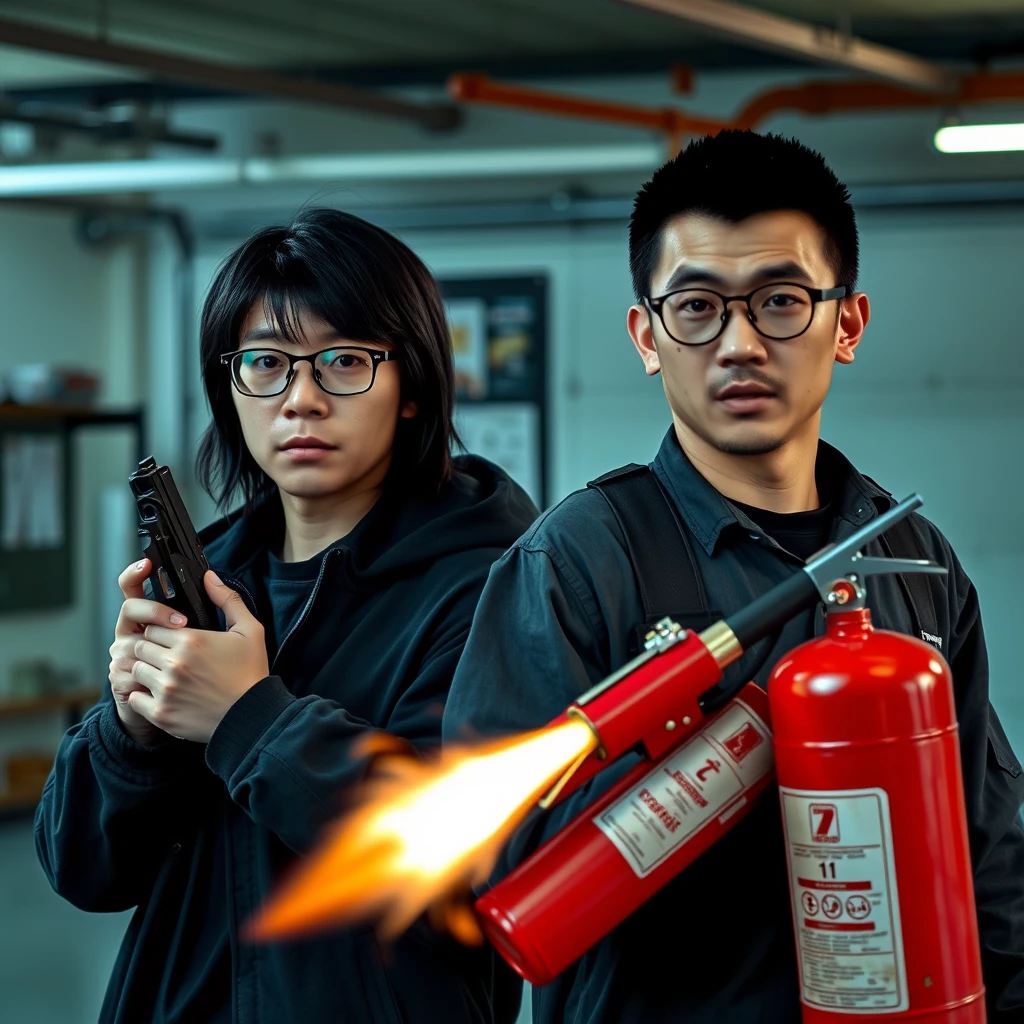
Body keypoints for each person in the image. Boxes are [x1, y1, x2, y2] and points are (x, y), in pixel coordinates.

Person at [444, 131, 1024, 1023]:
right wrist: (701, 771)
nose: (741, 343)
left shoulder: (913, 557)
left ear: (849, 325)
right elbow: (490, 862)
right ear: (648, 336)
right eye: (699, 308)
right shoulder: (577, 563)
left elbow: (985, 854)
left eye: (781, 301)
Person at [36, 209, 536, 1024]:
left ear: (411, 387)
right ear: (229, 388)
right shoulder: (205, 580)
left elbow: (466, 873)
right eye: (265, 363)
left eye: (343, 361)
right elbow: (82, 871)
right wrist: (132, 736)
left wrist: (247, 720)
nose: (300, 399)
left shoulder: (495, 589)